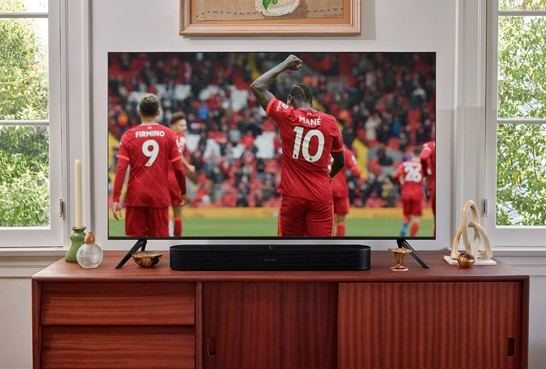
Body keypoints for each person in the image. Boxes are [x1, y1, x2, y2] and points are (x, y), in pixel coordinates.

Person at [250, 54, 345, 237]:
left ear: (291, 99)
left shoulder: (287, 115)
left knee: (288, 251)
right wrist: (328, 176)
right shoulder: (330, 121)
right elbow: (339, 161)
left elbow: (257, 86)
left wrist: (285, 65)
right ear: (311, 101)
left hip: (293, 195)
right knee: (322, 252)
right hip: (321, 195)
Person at [112, 93, 187, 237]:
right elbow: (178, 168)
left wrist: (116, 199)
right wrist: (183, 191)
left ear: (139, 112)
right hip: (159, 196)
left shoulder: (128, 136)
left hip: (135, 196)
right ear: (158, 113)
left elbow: (121, 168)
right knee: (159, 246)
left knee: (134, 244)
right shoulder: (169, 134)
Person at [168, 112, 195, 237]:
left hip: (161, 177)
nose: (184, 128)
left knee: (162, 211)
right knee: (177, 211)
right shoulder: (180, 138)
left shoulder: (166, 137)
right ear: (173, 126)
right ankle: (176, 241)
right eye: (181, 125)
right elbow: (178, 155)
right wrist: (188, 166)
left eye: (185, 125)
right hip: (174, 177)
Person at [394, 147, 424, 237]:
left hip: (406, 192)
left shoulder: (404, 164)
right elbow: (428, 177)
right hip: (418, 193)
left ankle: (405, 223)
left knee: (407, 214)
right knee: (416, 218)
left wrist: (401, 184)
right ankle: (412, 237)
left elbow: (396, 175)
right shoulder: (423, 165)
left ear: (411, 154)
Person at [331, 145, 361, 236]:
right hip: (341, 188)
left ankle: (327, 244)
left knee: (328, 220)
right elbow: (356, 172)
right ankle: (339, 245)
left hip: (325, 187)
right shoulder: (346, 152)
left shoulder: (323, 148)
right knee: (341, 220)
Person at [420, 140, 436, 234]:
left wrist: (426, 174)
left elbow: (423, 157)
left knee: (437, 220)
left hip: (435, 185)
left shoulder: (430, 145)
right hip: (450, 186)